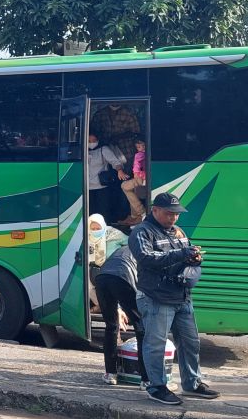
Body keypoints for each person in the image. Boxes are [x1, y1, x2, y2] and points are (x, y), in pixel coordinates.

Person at [129, 192, 219, 405]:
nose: (173, 218)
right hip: (155, 297)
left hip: (182, 297)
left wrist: (194, 259)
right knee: (156, 344)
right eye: (169, 214)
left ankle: (192, 383)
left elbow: (188, 256)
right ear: (155, 210)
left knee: (190, 342)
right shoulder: (142, 232)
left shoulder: (178, 232)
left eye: (176, 214)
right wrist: (181, 255)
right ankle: (157, 386)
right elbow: (146, 258)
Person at [94, 243, 146, 385]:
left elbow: (112, 271)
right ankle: (146, 379)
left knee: (111, 326)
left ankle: (110, 374)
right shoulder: (147, 248)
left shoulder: (123, 247)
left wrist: (119, 307)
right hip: (124, 277)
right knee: (141, 327)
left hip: (102, 278)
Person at [87, 134, 128, 223]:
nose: (91, 143)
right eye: (89, 141)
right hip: (87, 188)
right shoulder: (82, 151)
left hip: (101, 187)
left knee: (103, 212)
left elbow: (115, 162)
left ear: (98, 140)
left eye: (94, 141)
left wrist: (120, 170)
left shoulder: (103, 149)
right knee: (90, 212)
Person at [121, 137, 148, 221]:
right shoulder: (149, 154)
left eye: (143, 145)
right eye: (139, 147)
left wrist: (136, 174)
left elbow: (136, 166)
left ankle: (142, 212)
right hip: (145, 178)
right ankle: (134, 217)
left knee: (124, 186)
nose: (142, 148)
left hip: (141, 178)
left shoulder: (138, 155)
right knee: (133, 192)